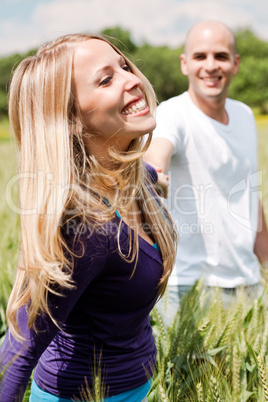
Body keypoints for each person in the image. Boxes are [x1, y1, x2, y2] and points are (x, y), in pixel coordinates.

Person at [0, 33, 177, 401]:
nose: (132, 79)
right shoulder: (84, 234)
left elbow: (147, 173)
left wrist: (159, 176)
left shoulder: (129, 180)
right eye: (106, 79)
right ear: (72, 120)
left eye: (124, 66)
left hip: (136, 385)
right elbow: (15, 359)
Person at [144, 20, 268, 321]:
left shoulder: (244, 115)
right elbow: (156, 156)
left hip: (249, 284)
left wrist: (265, 265)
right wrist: (152, 174)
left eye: (221, 56)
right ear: (185, 64)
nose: (210, 66)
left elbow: (250, 194)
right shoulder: (173, 114)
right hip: (187, 288)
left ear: (235, 64)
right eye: (200, 56)